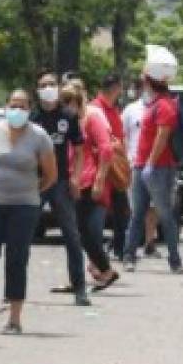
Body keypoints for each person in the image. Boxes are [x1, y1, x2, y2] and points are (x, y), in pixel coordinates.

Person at [0, 89, 58, 334]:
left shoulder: (39, 136)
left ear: (29, 109)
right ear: (6, 106)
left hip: (25, 206)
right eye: (13, 105)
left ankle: (14, 318)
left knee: (17, 259)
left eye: (22, 106)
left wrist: (32, 190)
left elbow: (51, 175)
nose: (17, 110)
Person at [124, 45, 183, 274]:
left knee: (165, 215)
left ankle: (175, 260)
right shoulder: (155, 104)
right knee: (137, 214)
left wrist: (150, 162)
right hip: (142, 166)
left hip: (158, 168)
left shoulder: (165, 106)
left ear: (150, 81)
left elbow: (162, 136)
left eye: (144, 77)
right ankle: (129, 255)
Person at [32, 70, 90, 306]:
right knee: (22, 234)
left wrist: (76, 177)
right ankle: (14, 291)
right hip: (34, 182)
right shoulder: (32, 117)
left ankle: (80, 288)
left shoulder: (68, 116)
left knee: (72, 236)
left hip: (61, 182)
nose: (48, 88)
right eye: (43, 85)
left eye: (51, 84)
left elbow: (79, 150)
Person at [68, 81, 119, 290]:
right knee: (78, 231)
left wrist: (99, 180)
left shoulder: (92, 116)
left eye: (69, 102)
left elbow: (106, 149)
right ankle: (90, 273)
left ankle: (104, 269)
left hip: (89, 180)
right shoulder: (70, 120)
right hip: (73, 180)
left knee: (84, 231)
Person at [91, 74, 131, 261]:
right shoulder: (96, 109)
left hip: (114, 165)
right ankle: (99, 253)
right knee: (99, 212)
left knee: (121, 209)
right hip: (100, 166)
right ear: (116, 88)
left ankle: (119, 247)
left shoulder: (113, 109)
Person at [122, 77, 160, 256]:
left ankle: (149, 240)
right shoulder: (131, 110)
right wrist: (126, 158)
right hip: (135, 163)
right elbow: (123, 135)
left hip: (156, 164)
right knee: (136, 206)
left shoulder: (160, 107)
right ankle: (132, 244)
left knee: (154, 205)